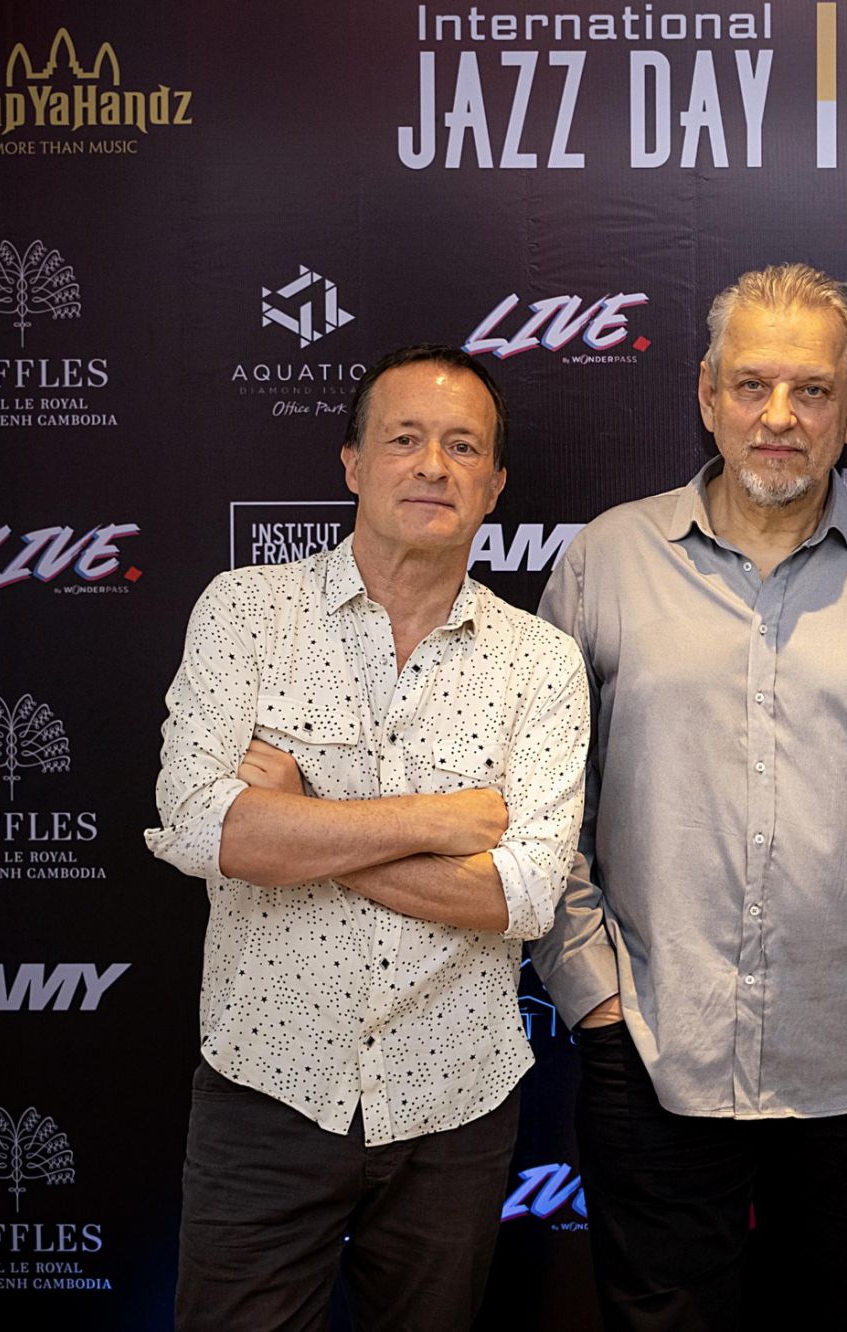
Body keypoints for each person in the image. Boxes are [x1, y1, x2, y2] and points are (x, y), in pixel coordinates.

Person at [532, 263, 847, 1331]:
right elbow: (545, 806)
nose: (778, 416)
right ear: (707, 395)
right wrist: (592, 995)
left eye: (811, 390)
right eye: (752, 385)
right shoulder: (604, 560)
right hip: (651, 1048)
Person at [145, 344, 588, 1330]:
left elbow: (518, 897)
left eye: (462, 447)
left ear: (494, 484)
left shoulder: (541, 664)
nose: (432, 465)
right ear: (352, 462)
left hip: (454, 1106)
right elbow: (200, 826)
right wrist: (437, 822)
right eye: (404, 439)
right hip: (266, 1092)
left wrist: (299, 819)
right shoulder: (245, 612)